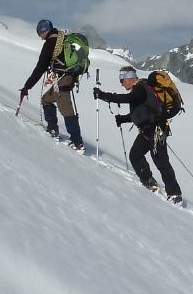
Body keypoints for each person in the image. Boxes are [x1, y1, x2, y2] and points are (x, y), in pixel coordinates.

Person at [94, 66, 183, 203]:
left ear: (129, 79)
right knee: (135, 155)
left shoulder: (140, 88)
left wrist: (104, 95)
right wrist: (124, 118)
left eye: (122, 80)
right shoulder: (142, 89)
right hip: (147, 130)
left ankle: (174, 193)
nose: (121, 83)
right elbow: (142, 112)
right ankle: (149, 181)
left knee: (161, 161)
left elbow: (128, 98)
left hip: (156, 129)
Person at [19, 19, 85, 151]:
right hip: (68, 77)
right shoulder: (61, 37)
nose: (40, 37)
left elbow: (40, 67)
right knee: (46, 99)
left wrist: (27, 86)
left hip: (63, 79)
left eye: (40, 33)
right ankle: (53, 129)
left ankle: (77, 142)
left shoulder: (51, 42)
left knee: (66, 109)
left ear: (43, 31)